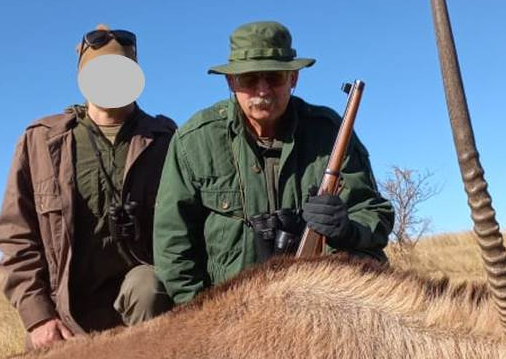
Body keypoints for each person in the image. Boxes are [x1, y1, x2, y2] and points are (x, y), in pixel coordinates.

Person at [153, 20, 393, 305]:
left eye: (275, 77)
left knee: (371, 264)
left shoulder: (328, 131)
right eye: (249, 79)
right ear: (231, 82)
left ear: (293, 79)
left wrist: (348, 228)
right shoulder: (193, 141)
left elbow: (373, 211)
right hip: (227, 311)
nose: (263, 90)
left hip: (319, 302)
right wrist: (200, 316)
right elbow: (173, 243)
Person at [0, 25, 175, 348]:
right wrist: (38, 317)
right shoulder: (41, 141)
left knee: (149, 286)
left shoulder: (166, 140)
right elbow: (16, 235)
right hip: (65, 313)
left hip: (142, 306)